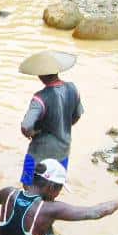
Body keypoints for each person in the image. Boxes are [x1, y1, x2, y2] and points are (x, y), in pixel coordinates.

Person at [18, 51, 83, 188]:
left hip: (39, 153)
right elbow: (77, 115)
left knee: (28, 186)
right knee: (54, 188)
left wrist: (31, 133)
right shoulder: (73, 89)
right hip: (63, 151)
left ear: (40, 76)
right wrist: (64, 125)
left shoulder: (40, 98)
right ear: (57, 71)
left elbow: (26, 126)